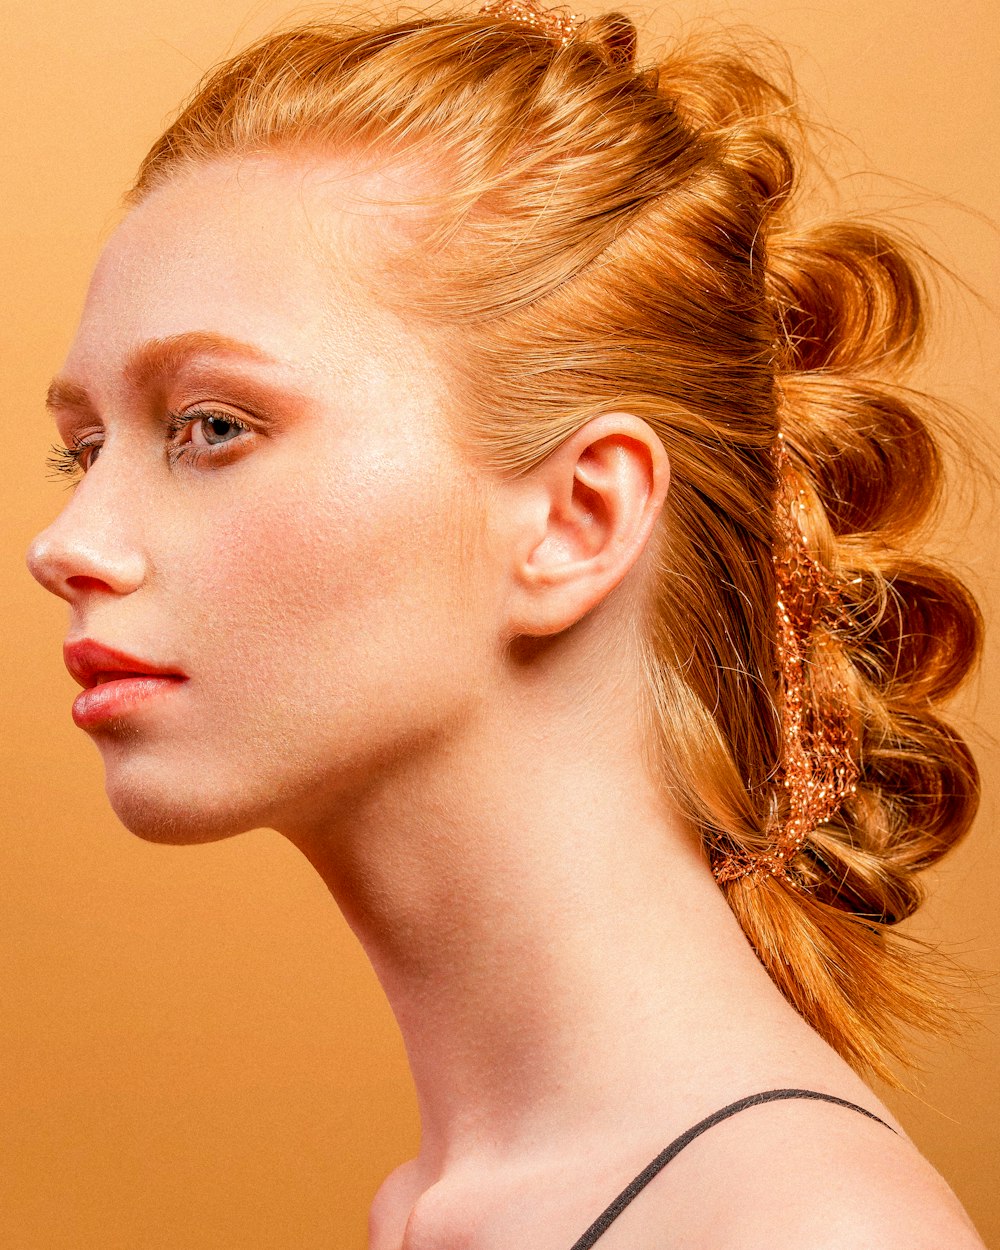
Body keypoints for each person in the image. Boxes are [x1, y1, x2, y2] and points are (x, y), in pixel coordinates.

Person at [25, 2, 988, 1246]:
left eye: (212, 425)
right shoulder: (448, 1209)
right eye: (82, 451)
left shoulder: (792, 1228)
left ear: (578, 518)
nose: (66, 546)